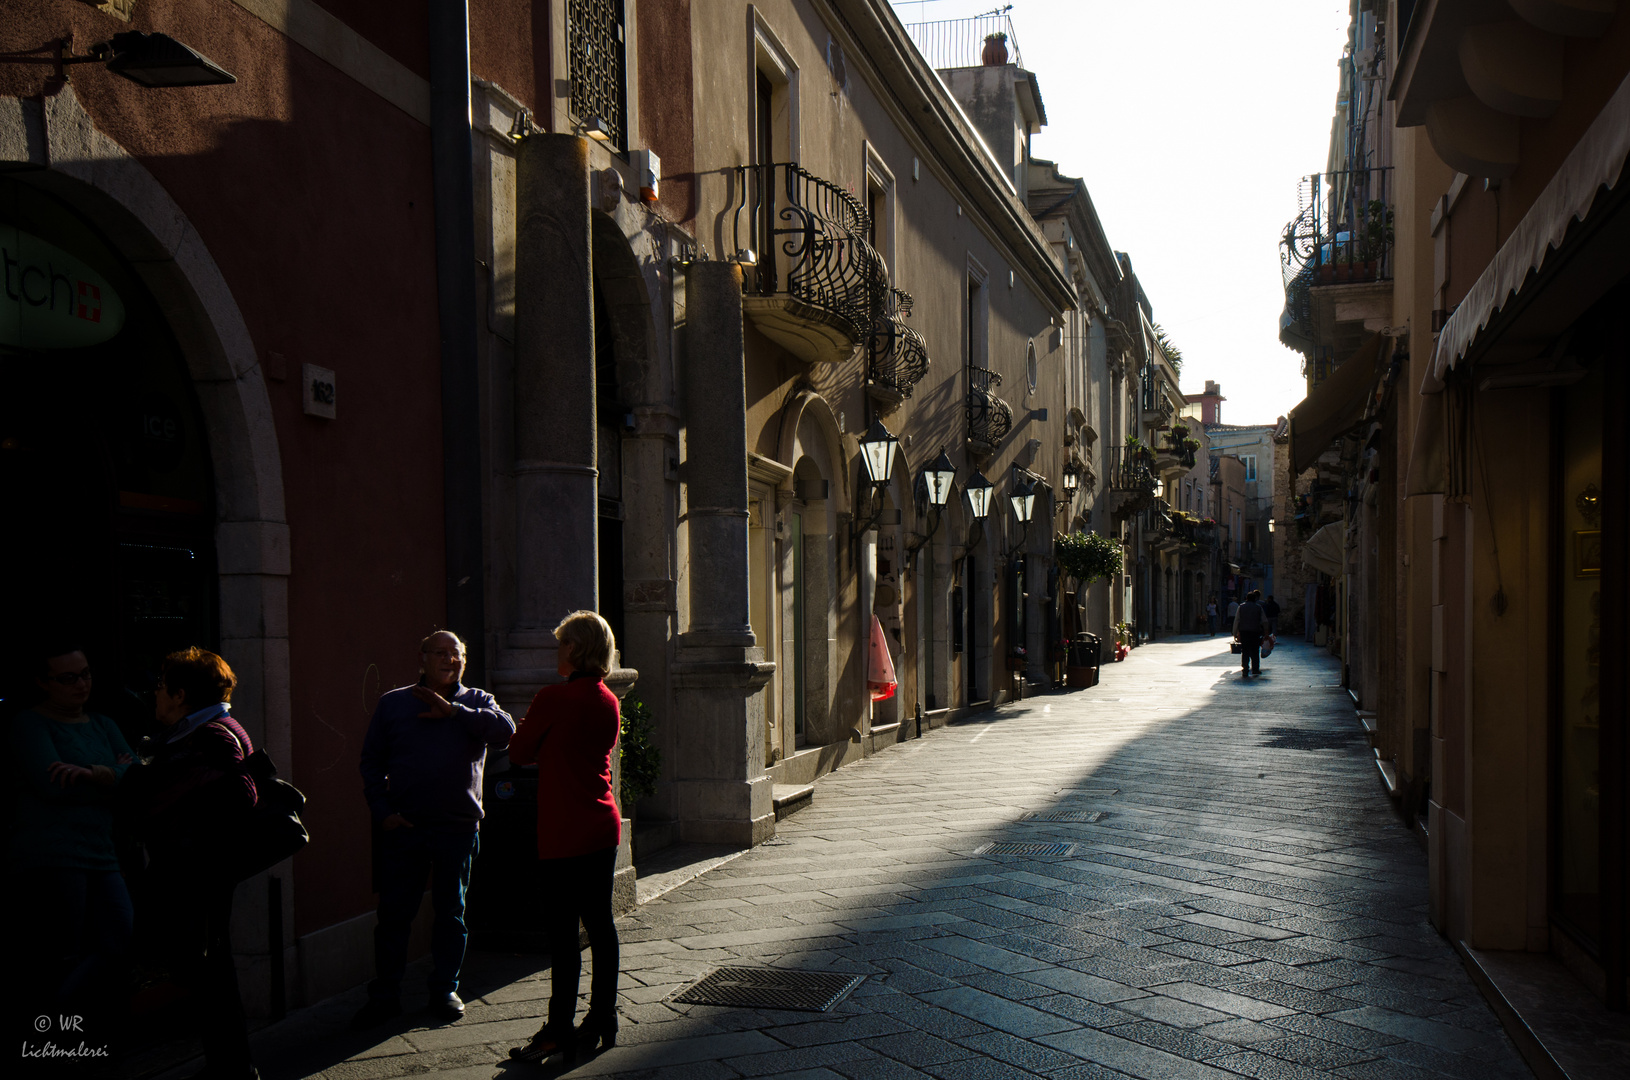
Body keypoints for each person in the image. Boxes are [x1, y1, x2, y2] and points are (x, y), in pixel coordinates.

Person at [353, 631, 514, 1028]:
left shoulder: (477, 702)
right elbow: (371, 761)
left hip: (457, 829)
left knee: (451, 914)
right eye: (441, 653)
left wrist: (454, 712)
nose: (450, 660)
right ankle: (386, 993)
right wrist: (382, 810)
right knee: (393, 915)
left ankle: (445, 988)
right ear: (422, 659)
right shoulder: (394, 703)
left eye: (457, 654)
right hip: (403, 828)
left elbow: (506, 731)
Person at [124, 647, 259, 1080]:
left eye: (161, 688)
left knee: (209, 972)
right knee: (209, 969)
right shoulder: (206, 727)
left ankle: (232, 1067)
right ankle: (230, 1064)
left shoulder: (213, 734)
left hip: (197, 870)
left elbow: (237, 794)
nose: (156, 696)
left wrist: (133, 779)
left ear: (180, 694)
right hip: (202, 868)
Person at [508, 612, 623, 1065]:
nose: (556, 651)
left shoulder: (553, 699)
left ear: (573, 649)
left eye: (560, 644)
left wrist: (526, 728)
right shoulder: (608, 699)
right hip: (602, 824)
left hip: (563, 830)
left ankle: (558, 1029)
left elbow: (519, 754)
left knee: (562, 936)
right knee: (601, 925)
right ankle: (601, 1018)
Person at [11, 645, 135, 1013]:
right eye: (68, 678)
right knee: (61, 951)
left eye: (85, 674)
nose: (81, 684)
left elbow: (136, 781)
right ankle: (51, 1036)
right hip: (53, 853)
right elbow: (53, 785)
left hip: (101, 849)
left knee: (120, 939)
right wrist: (112, 778)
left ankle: (68, 1025)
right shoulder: (30, 724)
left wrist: (90, 773)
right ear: (42, 682)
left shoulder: (102, 723)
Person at [1234, 589, 1267, 677]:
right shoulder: (1258, 607)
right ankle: (1255, 669)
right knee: (1255, 651)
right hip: (1255, 631)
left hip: (1244, 632)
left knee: (1245, 651)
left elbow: (1237, 620)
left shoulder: (1241, 607)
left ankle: (1245, 669)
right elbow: (1264, 621)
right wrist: (1266, 633)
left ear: (1246, 598)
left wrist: (1235, 633)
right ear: (1255, 599)